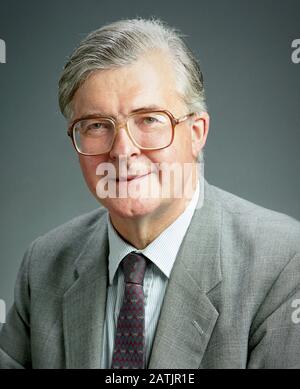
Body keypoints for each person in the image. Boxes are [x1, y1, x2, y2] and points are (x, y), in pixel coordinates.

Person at [0, 18, 300, 369]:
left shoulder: (283, 262)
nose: (122, 151)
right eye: (97, 125)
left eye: (149, 119)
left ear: (197, 132)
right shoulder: (44, 264)